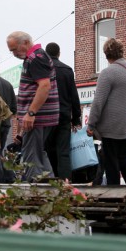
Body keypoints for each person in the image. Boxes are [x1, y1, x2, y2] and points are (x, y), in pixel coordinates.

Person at [86, 37, 126, 186]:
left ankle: (114, 192)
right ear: (121, 52)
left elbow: (98, 101)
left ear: (106, 55)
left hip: (111, 125)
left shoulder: (107, 73)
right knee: (124, 156)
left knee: (110, 159)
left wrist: (91, 124)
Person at [6, 31, 59, 180]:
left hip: (37, 118)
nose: (14, 53)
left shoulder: (35, 58)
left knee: (31, 157)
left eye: (14, 49)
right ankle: (51, 189)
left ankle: (34, 194)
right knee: (38, 154)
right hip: (39, 117)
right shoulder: (36, 57)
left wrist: (31, 113)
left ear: (25, 43)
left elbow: (44, 86)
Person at [43, 42, 82, 180]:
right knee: (63, 152)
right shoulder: (67, 70)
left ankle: (51, 182)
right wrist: (76, 118)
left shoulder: (43, 69)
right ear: (59, 54)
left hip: (47, 117)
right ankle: (66, 183)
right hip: (64, 117)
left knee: (47, 151)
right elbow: (73, 96)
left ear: (46, 54)